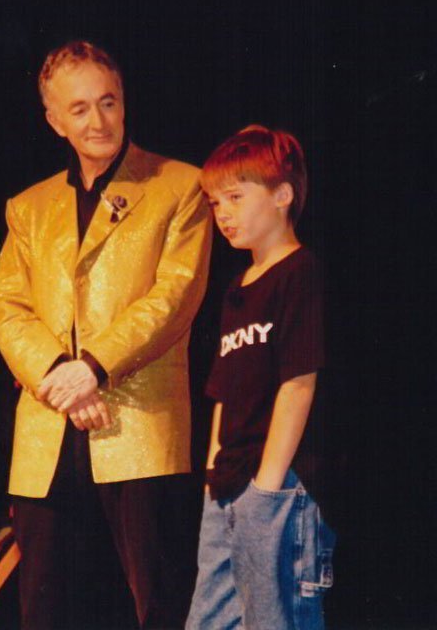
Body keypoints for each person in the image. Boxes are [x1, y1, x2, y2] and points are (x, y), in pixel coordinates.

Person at [0, 40, 212, 629]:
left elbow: (175, 296)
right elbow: (7, 306)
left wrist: (91, 368)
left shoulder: (181, 186)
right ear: (54, 120)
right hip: (48, 434)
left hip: (141, 430)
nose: (98, 121)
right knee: (47, 609)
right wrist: (58, 377)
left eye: (108, 103)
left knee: (160, 606)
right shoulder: (28, 208)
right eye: (80, 108)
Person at [185, 125, 336, 629]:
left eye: (233, 196)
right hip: (226, 487)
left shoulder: (300, 272)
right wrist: (213, 476)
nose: (221, 212)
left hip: (275, 489)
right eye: (213, 202)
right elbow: (223, 394)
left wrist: (266, 489)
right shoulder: (237, 287)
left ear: (283, 195)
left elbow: (298, 383)